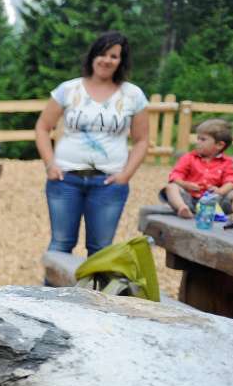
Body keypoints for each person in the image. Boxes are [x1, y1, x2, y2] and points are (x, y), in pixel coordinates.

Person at [34, 31, 150, 258]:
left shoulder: (133, 95)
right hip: (65, 180)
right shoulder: (68, 90)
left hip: (108, 183)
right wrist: (50, 165)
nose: (106, 60)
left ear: (121, 61)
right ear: (92, 56)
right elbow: (42, 127)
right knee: (61, 244)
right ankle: (51, 294)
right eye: (102, 53)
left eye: (114, 56)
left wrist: (126, 175)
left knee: (101, 251)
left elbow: (142, 140)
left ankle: (93, 295)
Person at [160, 118, 233, 220]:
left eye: (202, 139)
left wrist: (220, 191)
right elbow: (175, 175)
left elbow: (231, 181)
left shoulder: (226, 162)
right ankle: (182, 208)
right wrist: (185, 184)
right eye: (198, 138)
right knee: (171, 187)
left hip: (214, 203)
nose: (197, 142)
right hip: (190, 199)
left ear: (219, 145)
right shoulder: (189, 158)